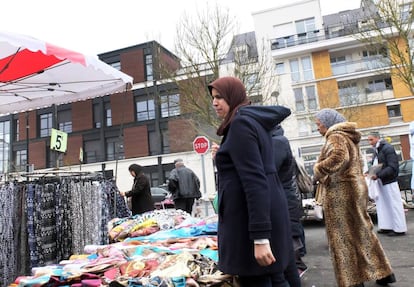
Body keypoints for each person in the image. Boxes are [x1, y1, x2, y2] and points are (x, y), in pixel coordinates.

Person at [209, 76, 300, 287]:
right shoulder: (251, 122)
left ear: (234, 97)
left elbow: (254, 181)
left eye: (220, 97)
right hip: (263, 215)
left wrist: (260, 238)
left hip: (249, 225)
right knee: (276, 277)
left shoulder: (240, 124)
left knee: (262, 280)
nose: (214, 103)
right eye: (213, 98)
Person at [313, 108, 395, 287]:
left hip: (341, 192)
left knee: (343, 236)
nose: (317, 128)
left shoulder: (336, 136)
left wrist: (318, 169)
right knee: (362, 232)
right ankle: (383, 272)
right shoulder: (346, 136)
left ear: (328, 123)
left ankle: (352, 279)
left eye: (319, 124)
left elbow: (338, 158)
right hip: (352, 189)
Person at [271, 125, 307, 277]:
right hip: (289, 198)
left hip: (285, 200)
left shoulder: (277, 142)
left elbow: (270, 170)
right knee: (291, 236)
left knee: (290, 240)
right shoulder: (277, 140)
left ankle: (297, 268)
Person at [367, 131, 407, 236]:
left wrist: (378, 175)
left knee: (394, 204)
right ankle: (387, 225)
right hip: (381, 180)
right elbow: (376, 165)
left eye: (371, 139)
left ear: (377, 138)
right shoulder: (378, 150)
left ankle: (399, 228)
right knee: (382, 204)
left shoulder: (387, 148)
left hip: (389, 181)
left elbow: (393, 166)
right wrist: (370, 173)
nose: (370, 142)